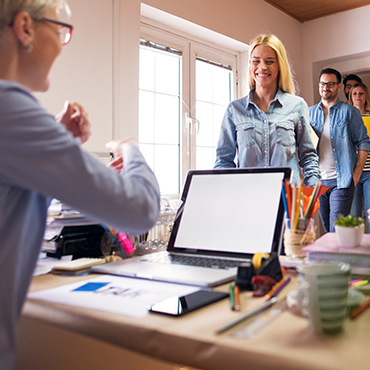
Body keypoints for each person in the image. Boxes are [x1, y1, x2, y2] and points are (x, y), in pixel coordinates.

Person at [0, 1, 160, 368]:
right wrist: (131, 150)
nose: (62, 43)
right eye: (60, 31)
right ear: (25, 28)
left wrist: (54, 137)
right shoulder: (11, 109)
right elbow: (140, 211)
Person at [214, 34, 320, 187]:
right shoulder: (234, 110)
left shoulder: (297, 106)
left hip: (287, 202)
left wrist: (312, 193)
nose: (262, 67)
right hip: (248, 199)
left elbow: (309, 157)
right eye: (256, 61)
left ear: (279, 66)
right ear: (250, 64)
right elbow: (223, 162)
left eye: (269, 61)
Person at [309, 68, 370, 233]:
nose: (325, 88)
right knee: (327, 229)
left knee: (336, 230)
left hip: (341, 181)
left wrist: (356, 174)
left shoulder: (350, 112)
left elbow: (364, 142)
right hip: (319, 183)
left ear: (338, 87)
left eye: (330, 84)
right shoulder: (309, 113)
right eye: (322, 83)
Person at [348, 83, 370, 230]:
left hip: (369, 172)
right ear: (350, 97)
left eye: (361, 93)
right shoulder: (346, 118)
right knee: (354, 215)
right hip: (352, 172)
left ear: (365, 96)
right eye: (354, 93)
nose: (358, 96)